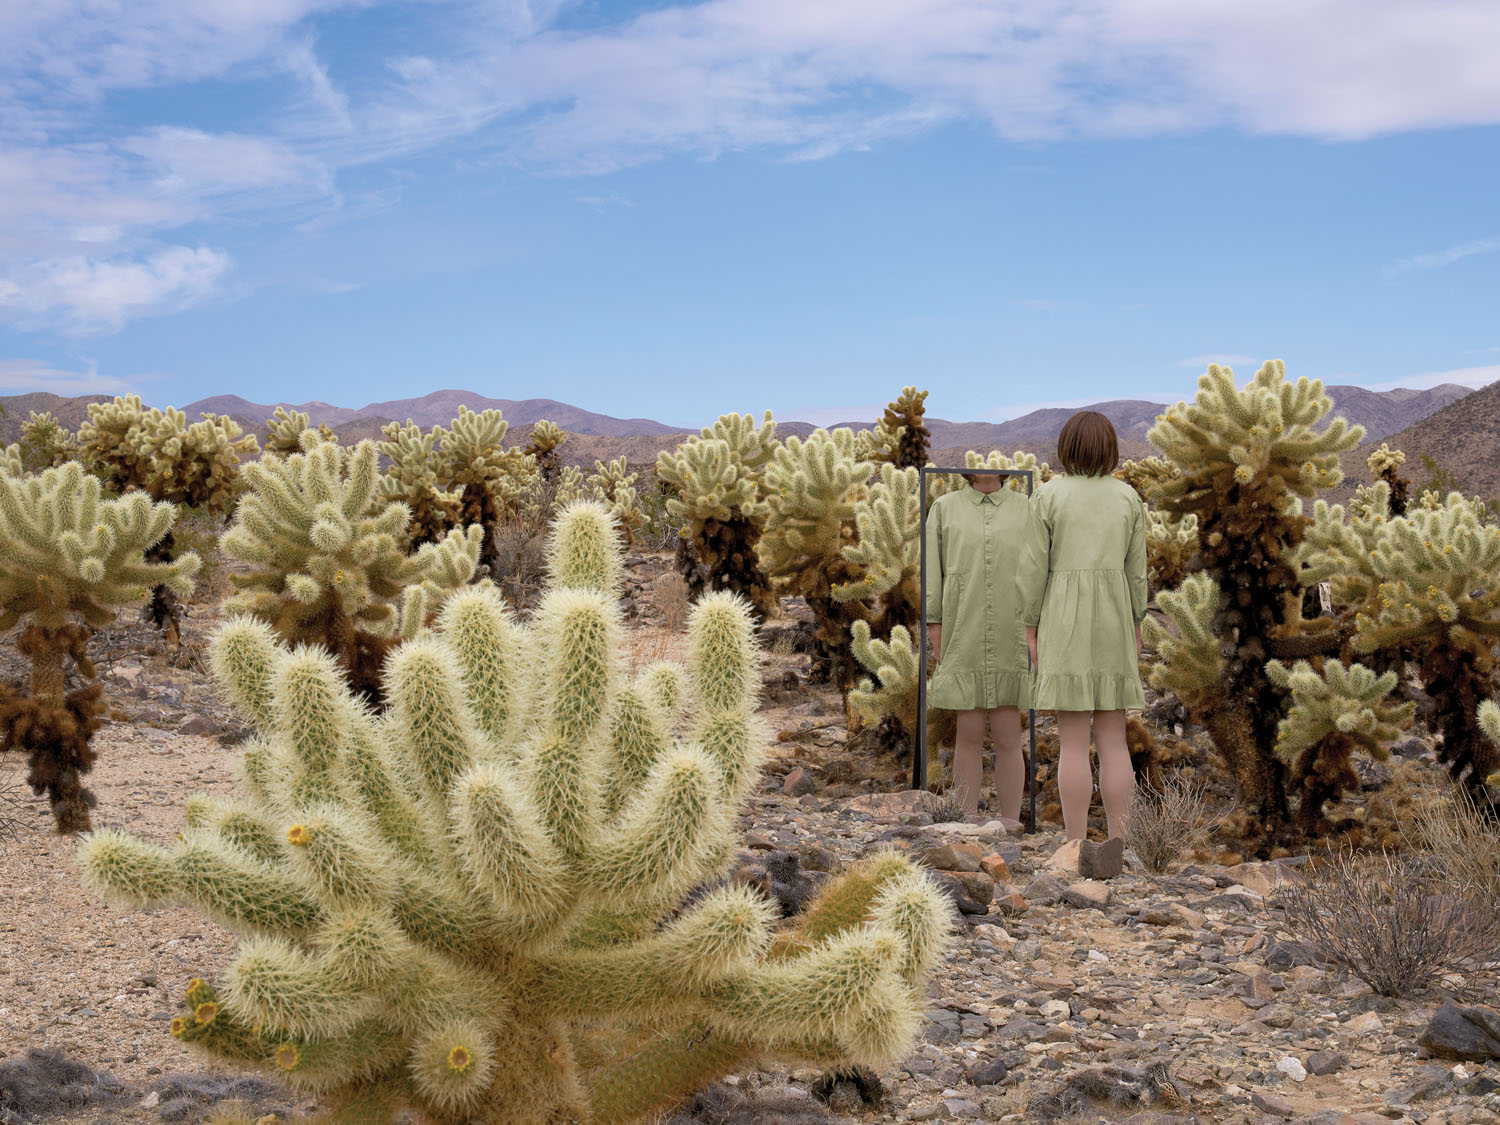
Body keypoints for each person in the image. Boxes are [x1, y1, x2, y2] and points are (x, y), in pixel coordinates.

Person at [1015, 412, 1147, 844]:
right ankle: (1119, 844)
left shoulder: (1048, 496)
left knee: (1072, 741)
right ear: (1110, 449)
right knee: (1114, 740)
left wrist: (1030, 627)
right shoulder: (1128, 498)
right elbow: (1137, 573)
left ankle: (1074, 846)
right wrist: (1136, 622)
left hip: (1063, 619)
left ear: (1066, 448)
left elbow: (1032, 569)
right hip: (1113, 616)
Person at [924, 469, 1032, 818]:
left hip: (1012, 632)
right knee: (967, 735)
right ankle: (966, 820)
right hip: (963, 630)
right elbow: (933, 571)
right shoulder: (943, 508)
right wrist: (935, 625)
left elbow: (1038, 570)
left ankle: (1011, 822)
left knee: (1008, 735)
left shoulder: (1027, 508)